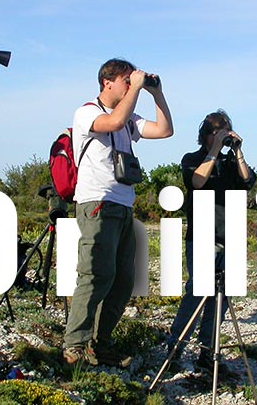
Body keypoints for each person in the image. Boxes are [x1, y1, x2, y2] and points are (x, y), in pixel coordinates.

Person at [63, 58, 174, 368]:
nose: (130, 84)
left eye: (131, 80)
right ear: (106, 82)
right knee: (96, 275)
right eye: (126, 80)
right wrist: (136, 90)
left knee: (124, 280)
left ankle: (100, 343)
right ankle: (75, 345)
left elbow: (165, 130)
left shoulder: (128, 118)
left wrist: (157, 94)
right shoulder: (87, 112)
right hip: (96, 203)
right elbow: (111, 123)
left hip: (123, 205)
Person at [167, 109, 257, 373]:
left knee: (221, 299)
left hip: (230, 239)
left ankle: (207, 353)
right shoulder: (192, 159)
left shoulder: (231, 163)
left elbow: (248, 181)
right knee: (196, 295)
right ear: (206, 135)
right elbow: (196, 182)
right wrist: (214, 151)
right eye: (217, 133)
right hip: (202, 238)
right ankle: (174, 350)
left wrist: (238, 151)